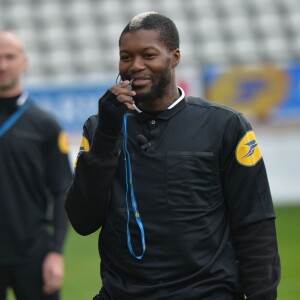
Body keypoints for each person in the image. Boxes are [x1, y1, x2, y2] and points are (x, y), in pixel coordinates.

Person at [65, 12, 281, 300]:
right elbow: (82, 220)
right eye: (126, 57)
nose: (135, 66)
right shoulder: (99, 128)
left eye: (149, 55)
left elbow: (255, 223)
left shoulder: (225, 125)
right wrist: (106, 135)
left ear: (174, 57)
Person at [0, 31, 72, 300]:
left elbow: (62, 189)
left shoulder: (45, 125)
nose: (2, 65)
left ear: (24, 62)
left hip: (33, 255)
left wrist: (55, 252)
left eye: (9, 57)